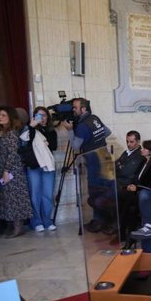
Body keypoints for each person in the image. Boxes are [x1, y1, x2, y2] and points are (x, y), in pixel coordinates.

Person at [61, 97, 112, 232]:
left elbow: (75, 146)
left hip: (94, 160)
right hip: (105, 155)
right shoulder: (95, 118)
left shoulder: (83, 125)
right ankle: (104, 221)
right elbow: (107, 132)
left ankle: (99, 221)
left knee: (95, 191)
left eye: (75, 107)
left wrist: (70, 130)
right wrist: (96, 141)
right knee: (105, 190)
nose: (73, 110)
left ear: (83, 109)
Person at [0, 106, 33, 238]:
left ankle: (18, 227)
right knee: (8, 198)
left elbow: (13, 153)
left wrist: (6, 170)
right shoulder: (3, 132)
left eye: (3, 115)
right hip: (5, 169)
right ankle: (11, 225)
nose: (0, 117)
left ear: (10, 118)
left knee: (15, 198)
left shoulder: (11, 133)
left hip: (12, 171)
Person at [23, 106, 58, 232]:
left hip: (48, 165)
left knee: (47, 194)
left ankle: (47, 220)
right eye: (39, 115)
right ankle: (36, 221)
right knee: (35, 194)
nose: (42, 118)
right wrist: (32, 127)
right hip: (33, 165)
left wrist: (46, 142)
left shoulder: (51, 131)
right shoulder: (28, 129)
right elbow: (25, 143)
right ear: (34, 117)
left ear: (48, 117)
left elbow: (53, 146)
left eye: (44, 115)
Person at [119, 140, 151, 244]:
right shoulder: (143, 161)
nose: (142, 149)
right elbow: (136, 177)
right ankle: (126, 234)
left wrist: (136, 188)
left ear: (150, 151)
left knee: (129, 202)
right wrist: (132, 185)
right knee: (126, 202)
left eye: (144, 148)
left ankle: (124, 232)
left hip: (144, 193)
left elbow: (150, 183)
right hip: (136, 191)